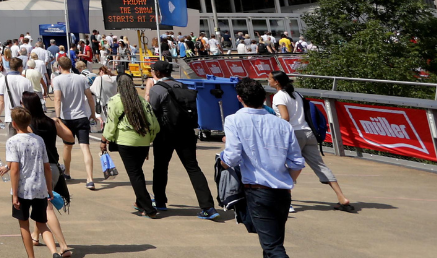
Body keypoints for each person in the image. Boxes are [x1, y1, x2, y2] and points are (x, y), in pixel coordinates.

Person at [222, 78, 305, 258]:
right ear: (264, 99)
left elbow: (232, 156)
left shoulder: (234, 120)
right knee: (273, 242)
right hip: (282, 192)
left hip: (258, 191)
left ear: (239, 98)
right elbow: (297, 162)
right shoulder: (283, 125)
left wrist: (222, 160)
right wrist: (289, 182)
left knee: (273, 247)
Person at [268, 71, 355, 212]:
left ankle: (287, 202)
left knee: (287, 167)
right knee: (320, 166)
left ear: (276, 82)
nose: (268, 80)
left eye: (270, 78)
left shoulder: (279, 96)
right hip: (308, 133)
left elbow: (285, 117)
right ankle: (341, 197)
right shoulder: (297, 94)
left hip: (293, 135)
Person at [148, 61, 220, 218]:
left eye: (152, 70)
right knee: (193, 168)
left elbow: (151, 112)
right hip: (186, 132)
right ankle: (208, 207)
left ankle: (160, 201)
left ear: (158, 73)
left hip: (165, 133)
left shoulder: (157, 89)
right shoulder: (183, 86)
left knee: (160, 167)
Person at [0, 106, 62, 258]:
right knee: (42, 223)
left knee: (24, 224)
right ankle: (54, 252)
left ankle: (31, 256)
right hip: (39, 187)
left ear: (14, 123)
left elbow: (15, 169)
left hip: (22, 189)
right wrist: (48, 188)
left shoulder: (13, 141)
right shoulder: (38, 140)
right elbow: (46, 167)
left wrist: (14, 194)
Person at [20, 91, 76, 257]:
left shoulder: (28, 126)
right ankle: (36, 236)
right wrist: (58, 121)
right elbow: (70, 138)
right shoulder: (51, 122)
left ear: (26, 106)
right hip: (53, 168)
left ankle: (64, 245)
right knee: (41, 204)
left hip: (38, 170)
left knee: (46, 207)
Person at [101, 73, 161, 218]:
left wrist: (104, 141)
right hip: (143, 141)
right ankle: (140, 202)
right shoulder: (142, 101)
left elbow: (110, 124)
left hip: (125, 142)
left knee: (135, 174)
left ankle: (148, 208)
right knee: (137, 172)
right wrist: (149, 141)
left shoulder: (115, 101)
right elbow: (154, 124)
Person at [52, 55, 98, 189]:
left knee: (67, 146)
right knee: (85, 148)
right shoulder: (81, 78)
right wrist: (93, 114)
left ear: (59, 67)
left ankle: (67, 172)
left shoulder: (58, 79)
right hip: (81, 116)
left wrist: (58, 116)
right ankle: (90, 178)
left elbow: (57, 99)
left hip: (67, 118)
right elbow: (89, 97)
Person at [0, 57, 35, 134]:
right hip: (25, 115)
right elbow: (31, 100)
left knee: (12, 139)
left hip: (10, 115)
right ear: (20, 67)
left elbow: (1, 101)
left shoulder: (3, 80)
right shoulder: (26, 81)